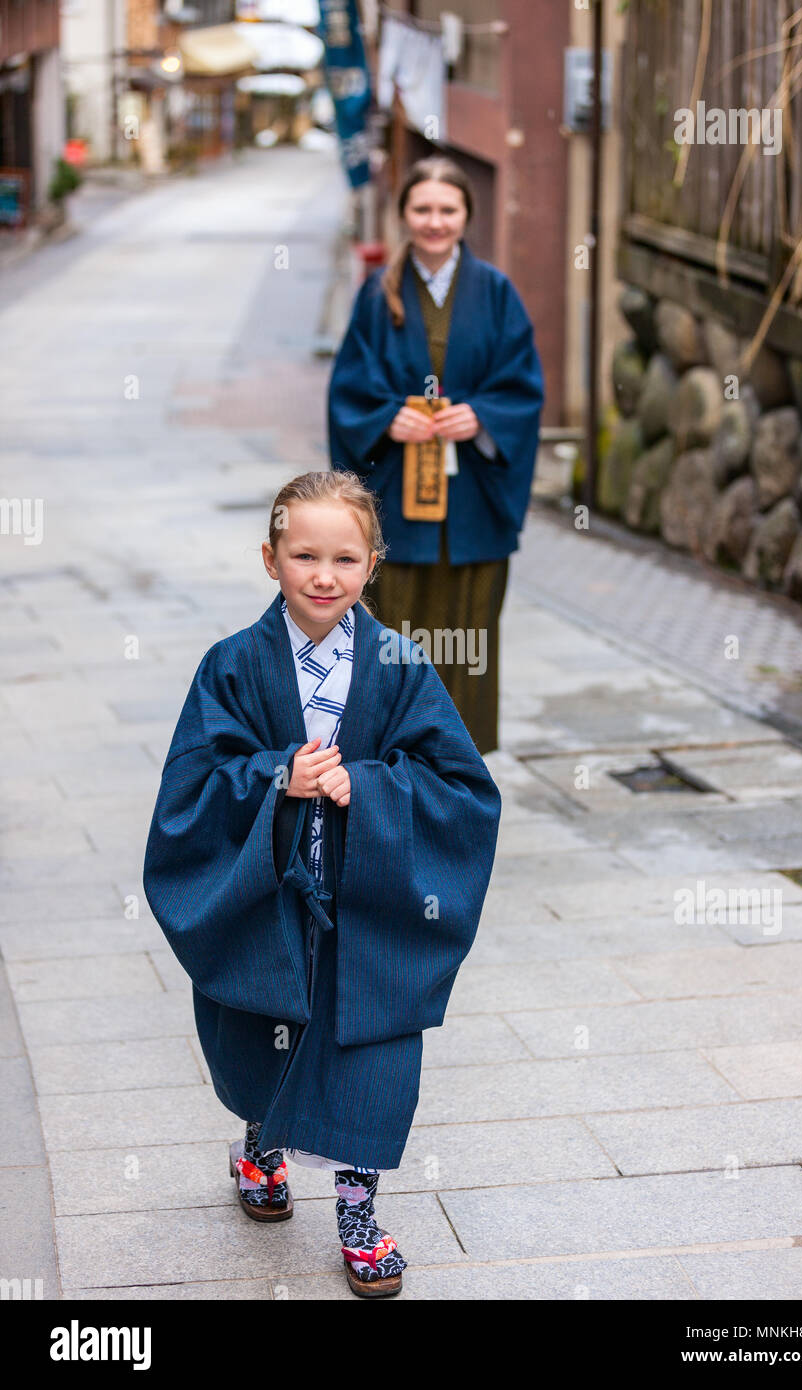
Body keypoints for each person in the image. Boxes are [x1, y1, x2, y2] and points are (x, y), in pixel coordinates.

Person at [142, 470, 501, 1298]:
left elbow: (463, 788)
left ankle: (357, 1214)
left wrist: (368, 789)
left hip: (367, 904)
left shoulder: (401, 665)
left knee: (370, 1056)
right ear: (270, 559)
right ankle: (262, 1148)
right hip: (266, 898)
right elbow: (192, 789)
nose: (323, 575)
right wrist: (276, 778)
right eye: (303, 554)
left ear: (372, 564)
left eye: (344, 557)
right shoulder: (231, 665)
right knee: (260, 1032)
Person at [328, 155, 545, 756]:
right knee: (392, 639)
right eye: (422, 209)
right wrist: (384, 418)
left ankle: (457, 775)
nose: (434, 221)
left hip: (472, 503)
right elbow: (349, 388)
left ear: (466, 215)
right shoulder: (380, 296)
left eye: (447, 209)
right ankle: (387, 768)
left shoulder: (496, 293)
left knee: (468, 636)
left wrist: (482, 416)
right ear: (403, 214)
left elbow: (522, 388)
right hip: (400, 500)